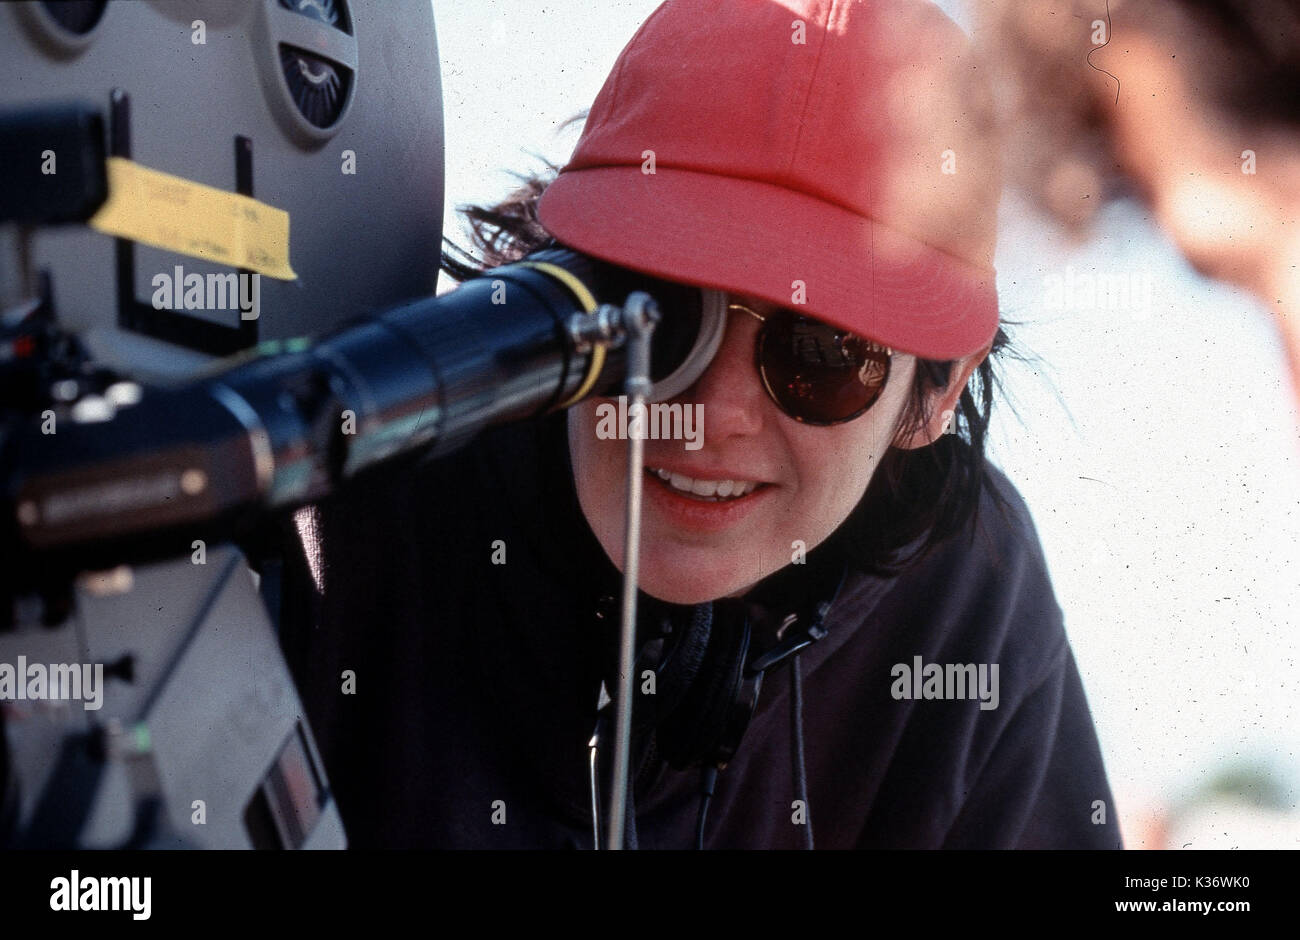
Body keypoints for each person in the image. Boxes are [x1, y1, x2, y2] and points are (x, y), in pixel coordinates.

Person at [281, 0, 1121, 849]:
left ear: (936, 396)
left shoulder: (972, 593)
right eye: (665, 314)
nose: (710, 415)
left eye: (823, 352)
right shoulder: (350, 490)